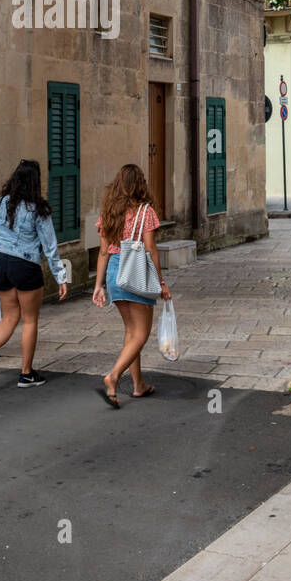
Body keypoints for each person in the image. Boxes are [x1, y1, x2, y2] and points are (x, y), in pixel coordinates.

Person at [0, 159, 69, 389]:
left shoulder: (1, 203)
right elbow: (50, 246)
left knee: (8, 318)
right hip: (25, 265)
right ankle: (26, 373)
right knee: (30, 320)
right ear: (35, 181)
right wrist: (61, 277)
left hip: (1, 263)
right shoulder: (38, 207)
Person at [92, 163, 171, 407]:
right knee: (141, 333)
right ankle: (113, 376)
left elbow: (104, 252)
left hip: (115, 273)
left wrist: (99, 285)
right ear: (140, 184)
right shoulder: (145, 211)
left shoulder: (108, 212)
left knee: (130, 331)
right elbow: (151, 250)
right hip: (136, 272)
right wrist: (160, 282)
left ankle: (138, 385)